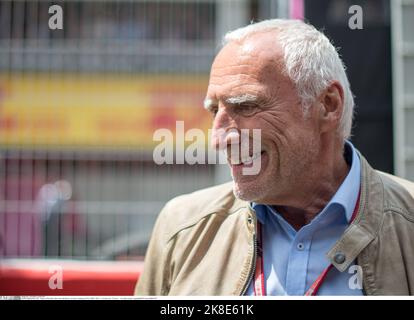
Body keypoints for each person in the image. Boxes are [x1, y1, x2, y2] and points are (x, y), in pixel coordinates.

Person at [135, 19, 414, 296]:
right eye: (214, 111)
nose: (218, 140)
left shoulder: (407, 224)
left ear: (328, 105)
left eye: (245, 106)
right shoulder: (182, 227)